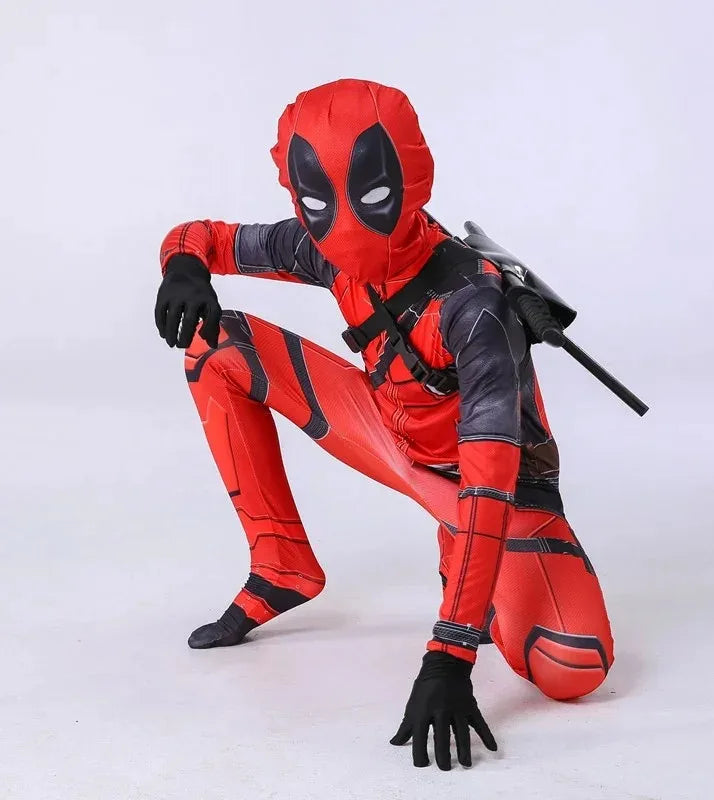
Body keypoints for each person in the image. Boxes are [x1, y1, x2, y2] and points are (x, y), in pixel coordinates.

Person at [154, 78, 614, 771]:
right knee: (213, 346)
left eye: (371, 198)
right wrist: (184, 268)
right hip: (385, 433)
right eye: (318, 205)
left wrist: (450, 653)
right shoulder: (320, 249)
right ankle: (282, 565)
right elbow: (201, 237)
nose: (346, 229)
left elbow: (490, 483)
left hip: (492, 489)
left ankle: (471, 567)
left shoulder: (474, 308)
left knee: (573, 665)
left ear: (411, 177)